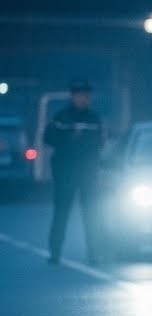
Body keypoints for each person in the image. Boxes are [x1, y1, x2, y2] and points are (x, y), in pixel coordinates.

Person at [43, 79, 106, 264]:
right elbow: (48, 138)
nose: (84, 99)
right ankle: (55, 253)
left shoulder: (94, 119)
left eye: (87, 96)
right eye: (80, 95)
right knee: (61, 214)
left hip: (88, 174)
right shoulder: (61, 117)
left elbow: (99, 142)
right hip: (65, 174)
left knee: (91, 216)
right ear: (73, 96)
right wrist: (71, 140)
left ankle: (94, 254)